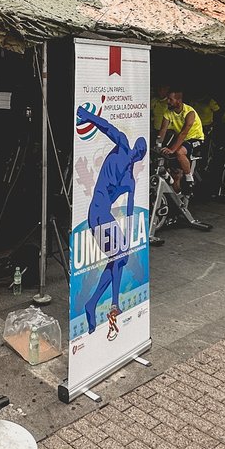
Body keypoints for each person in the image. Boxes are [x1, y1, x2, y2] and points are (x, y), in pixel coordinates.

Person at [76, 105, 147, 335]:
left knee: (120, 257)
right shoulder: (124, 149)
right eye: (141, 148)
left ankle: (99, 302)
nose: (139, 150)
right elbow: (106, 126)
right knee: (119, 256)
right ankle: (105, 302)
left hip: (102, 214)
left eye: (141, 150)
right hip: (97, 212)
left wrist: (129, 231)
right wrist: (87, 116)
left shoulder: (130, 179)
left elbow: (128, 210)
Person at [157, 88, 204, 193]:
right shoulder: (168, 112)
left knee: (179, 152)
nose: (167, 101)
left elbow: (184, 133)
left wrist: (172, 149)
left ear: (178, 100)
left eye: (170, 99)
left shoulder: (189, 112)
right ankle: (178, 194)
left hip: (195, 139)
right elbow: (163, 130)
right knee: (175, 173)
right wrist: (158, 145)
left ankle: (189, 179)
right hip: (182, 140)